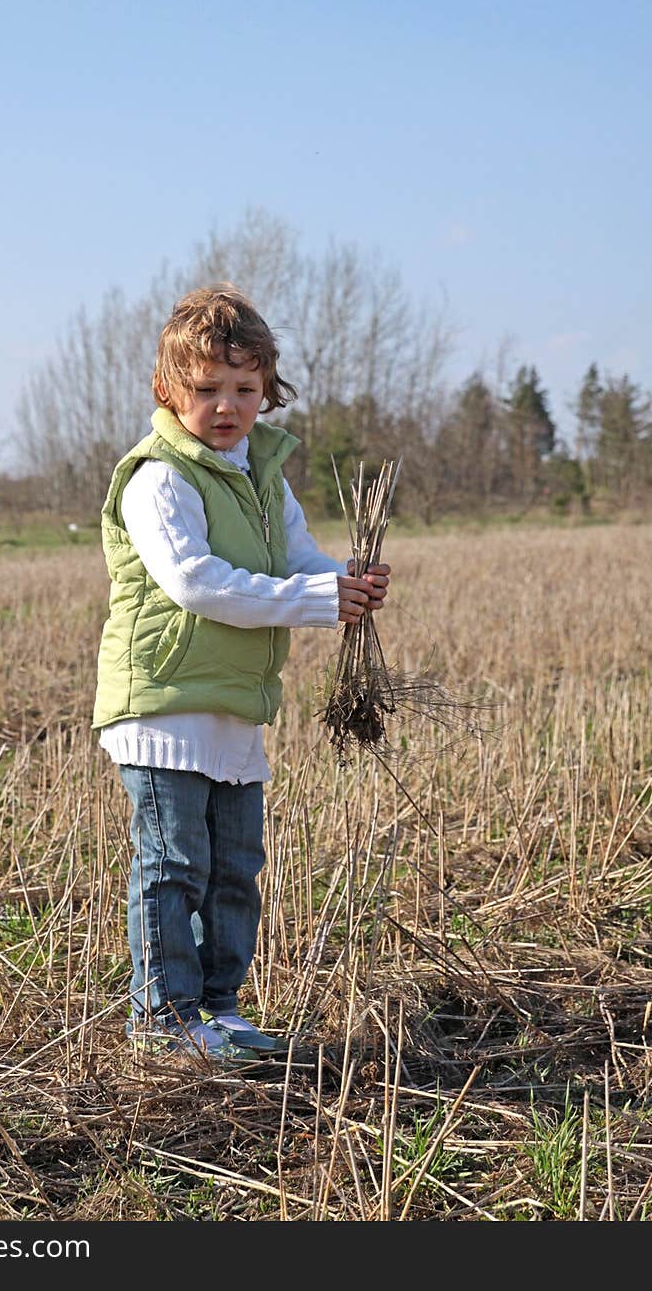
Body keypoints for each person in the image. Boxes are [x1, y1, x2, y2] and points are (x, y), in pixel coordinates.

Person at [92, 284, 391, 1064]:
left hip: (234, 704)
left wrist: (342, 581)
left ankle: (216, 1011)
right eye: (205, 389)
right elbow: (198, 581)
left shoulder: (263, 472)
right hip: (162, 706)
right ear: (168, 390)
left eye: (244, 389)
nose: (226, 406)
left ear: (267, 391)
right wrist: (314, 598)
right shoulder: (158, 479)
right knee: (173, 866)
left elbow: (294, 556)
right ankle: (163, 1018)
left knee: (236, 869)